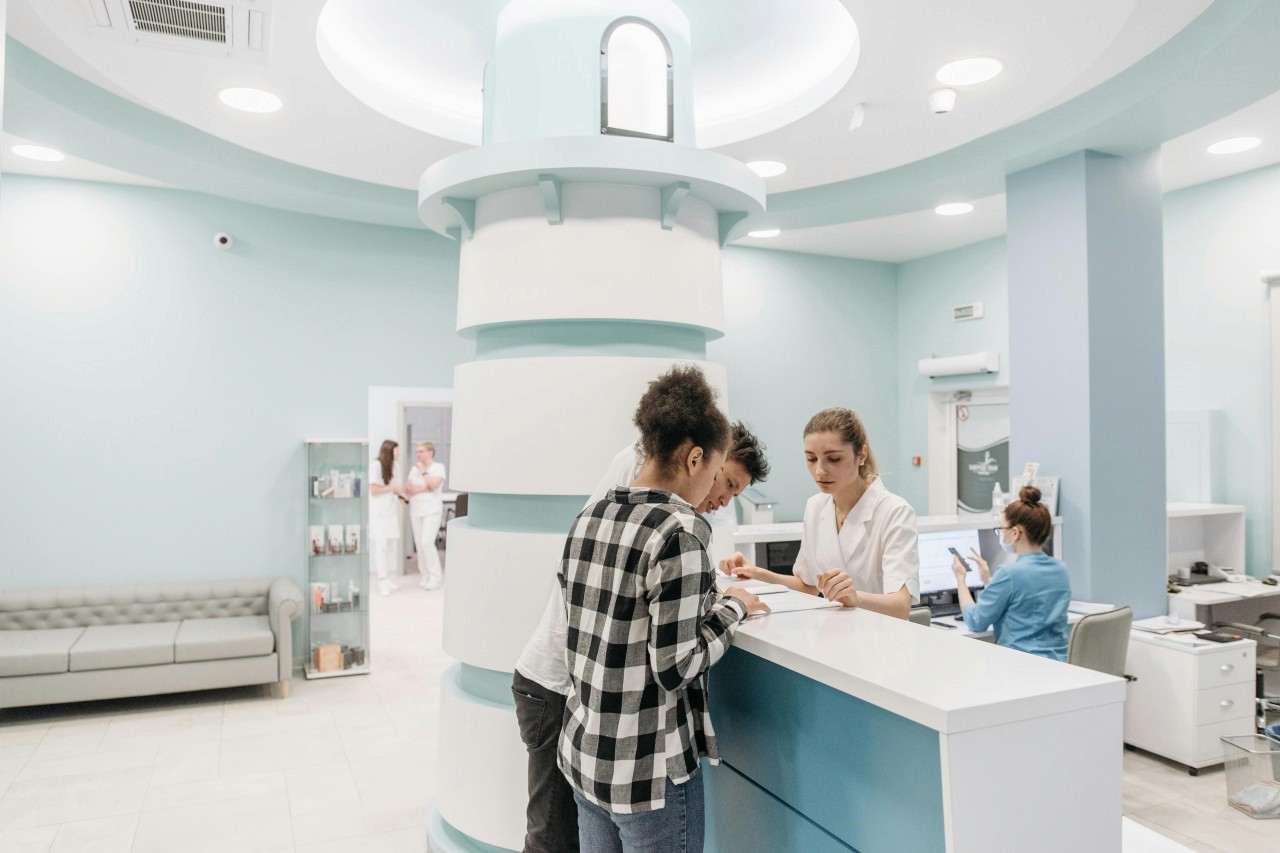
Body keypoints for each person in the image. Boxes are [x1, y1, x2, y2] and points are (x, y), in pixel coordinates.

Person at [511, 418, 770, 853]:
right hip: (568, 696)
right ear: (697, 459)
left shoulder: (594, 516)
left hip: (587, 734)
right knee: (550, 843)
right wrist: (732, 608)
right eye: (723, 480)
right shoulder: (674, 525)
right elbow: (675, 663)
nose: (721, 500)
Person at [719, 407, 919, 619]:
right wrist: (756, 572)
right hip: (831, 636)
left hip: (881, 639)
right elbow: (808, 586)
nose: (820, 471)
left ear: (861, 454)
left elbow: (900, 606)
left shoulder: (895, 512)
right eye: (811, 459)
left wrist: (856, 598)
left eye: (833, 459)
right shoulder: (815, 507)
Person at [950, 485, 1071, 660]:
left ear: (1015, 532)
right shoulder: (1061, 569)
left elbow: (976, 621)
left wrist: (960, 579)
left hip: (1020, 669)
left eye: (1001, 529)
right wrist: (988, 580)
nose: (1000, 534)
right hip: (1057, 666)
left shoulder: (1009, 573)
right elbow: (1023, 606)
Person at [404, 441, 447, 590]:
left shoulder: (438, 468)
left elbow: (434, 486)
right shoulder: (413, 469)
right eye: (417, 451)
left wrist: (423, 473)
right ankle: (425, 575)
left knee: (427, 543)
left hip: (432, 510)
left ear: (430, 452)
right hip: (416, 510)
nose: (418, 454)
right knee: (419, 545)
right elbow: (408, 488)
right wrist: (424, 488)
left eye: (421, 451)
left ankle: (435, 576)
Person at [368, 440, 405, 597]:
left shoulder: (395, 466)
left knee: (389, 546)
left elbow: (393, 488)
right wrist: (394, 488)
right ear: (388, 452)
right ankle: (381, 581)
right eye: (396, 451)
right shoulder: (375, 466)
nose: (398, 454)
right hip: (378, 513)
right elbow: (374, 490)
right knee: (381, 546)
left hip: (390, 511)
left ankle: (387, 578)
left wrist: (400, 495)